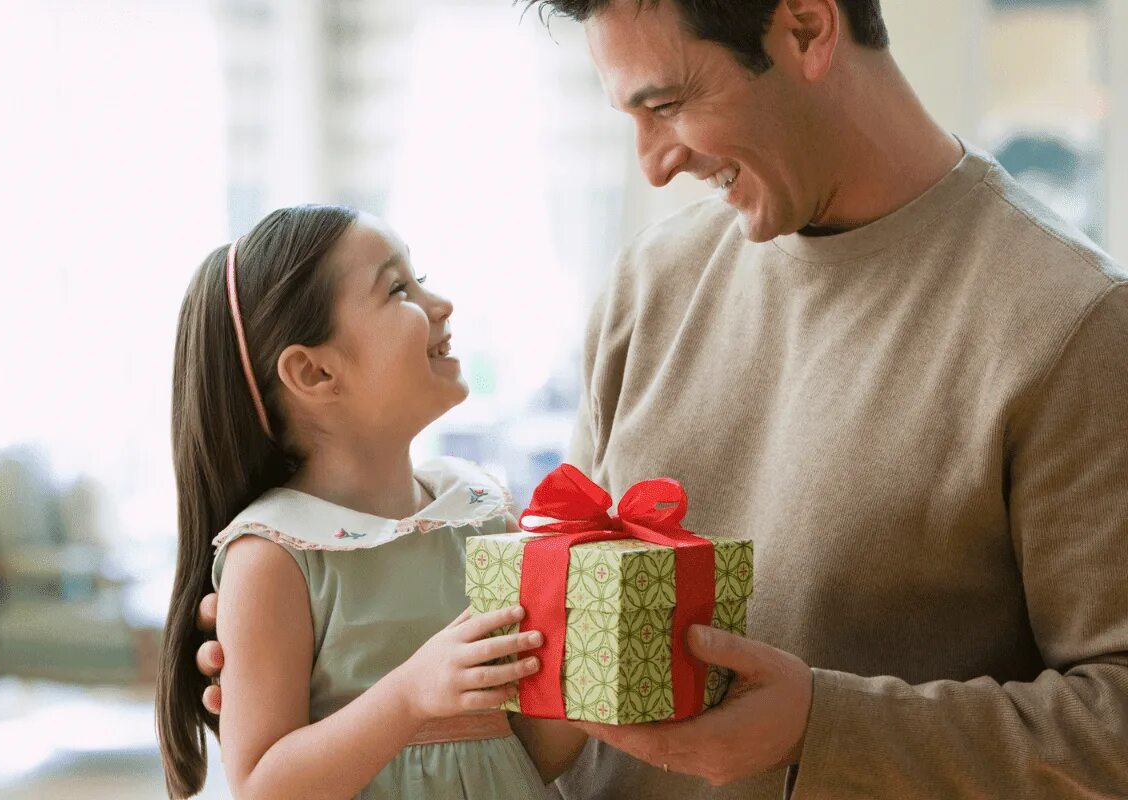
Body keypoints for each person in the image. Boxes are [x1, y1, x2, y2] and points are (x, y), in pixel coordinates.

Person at [195, 1, 1128, 797]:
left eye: (671, 103)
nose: (651, 165)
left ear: (806, 25)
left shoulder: (1070, 321)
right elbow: (557, 649)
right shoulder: (652, 284)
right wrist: (337, 657)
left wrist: (822, 724)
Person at [156, 205, 588, 799]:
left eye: (421, 279)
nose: (440, 305)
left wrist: (594, 676)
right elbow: (261, 786)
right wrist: (409, 694)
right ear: (314, 372)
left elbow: (520, 756)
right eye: (398, 289)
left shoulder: (483, 516)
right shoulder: (274, 556)